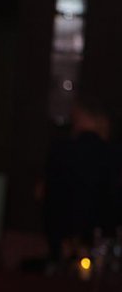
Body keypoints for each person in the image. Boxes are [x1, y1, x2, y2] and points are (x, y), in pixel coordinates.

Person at [42, 94, 120, 262]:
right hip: (103, 247)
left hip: (65, 244)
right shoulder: (113, 156)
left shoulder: (61, 152)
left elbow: (49, 199)